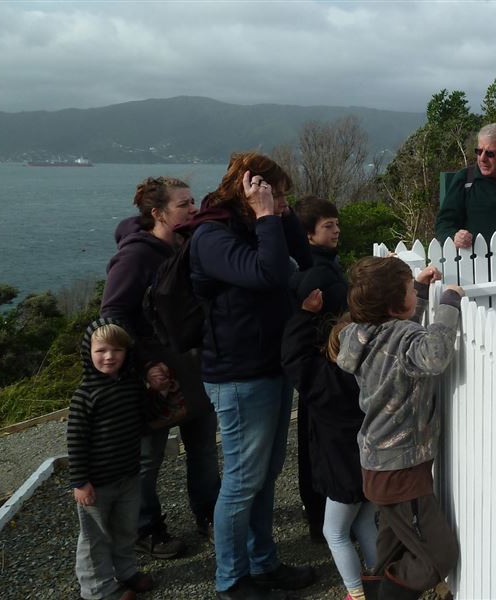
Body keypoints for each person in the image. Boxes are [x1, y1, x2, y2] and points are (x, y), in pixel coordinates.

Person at [188, 152, 315, 600]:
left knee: (264, 474)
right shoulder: (211, 235)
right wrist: (267, 217)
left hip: (271, 365)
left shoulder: (258, 225)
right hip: (238, 375)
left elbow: (302, 257)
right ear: (247, 188)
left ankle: (264, 565)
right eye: (274, 192)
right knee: (242, 480)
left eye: (282, 194)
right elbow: (269, 273)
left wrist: (282, 214)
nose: (279, 201)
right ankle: (231, 581)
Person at [100, 176, 220, 559]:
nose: (193, 209)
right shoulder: (134, 257)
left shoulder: (185, 244)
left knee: (202, 447)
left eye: (192, 201)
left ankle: (210, 516)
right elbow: (113, 314)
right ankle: (146, 529)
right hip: (154, 373)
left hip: (193, 365)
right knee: (148, 457)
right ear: (158, 212)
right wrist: (146, 362)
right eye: (184, 204)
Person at [330, 257, 464, 600]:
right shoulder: (400, 336)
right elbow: (433, 355)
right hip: (400, 470)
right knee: (440, 553)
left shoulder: (361, 334)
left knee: (392, 549)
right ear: (394, 304)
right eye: (408, 289)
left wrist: (416, 290)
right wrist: (449, 303)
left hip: (378, 464)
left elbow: (399, 337)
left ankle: (375, 592)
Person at [282, 289, 376, 600]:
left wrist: (304, 315)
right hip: (369, 466)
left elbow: (294, 356)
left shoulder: (323, 382)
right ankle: (380, 577)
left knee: (334, 532)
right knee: (364, 522)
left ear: (332, 346)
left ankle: (356, 593)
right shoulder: (372, 374)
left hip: (340, 472)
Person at [67, 319, 155, 600]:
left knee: (126, 529)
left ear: (127, 352)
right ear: (88, 353)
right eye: (101, 350)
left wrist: (160, 392)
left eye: (117, 350)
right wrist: (80, 481)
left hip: (128, 475)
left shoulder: (131, 386)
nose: (109, 356)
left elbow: (147, 420)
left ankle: (126, 571)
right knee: (95, 538)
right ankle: (98, 589)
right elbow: (76, 442)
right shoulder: (85, 396)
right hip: (96, 483)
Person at [288, 196, 349, 542]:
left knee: (315, 443)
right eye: (328, 225)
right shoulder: (316, 275)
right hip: (326, 372)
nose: (337, 229)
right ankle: (321, 519)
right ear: (308, 234)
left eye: (336, 223)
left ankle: (320, 516)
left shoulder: (322, 266)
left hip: (320, 371)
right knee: (320, 447)